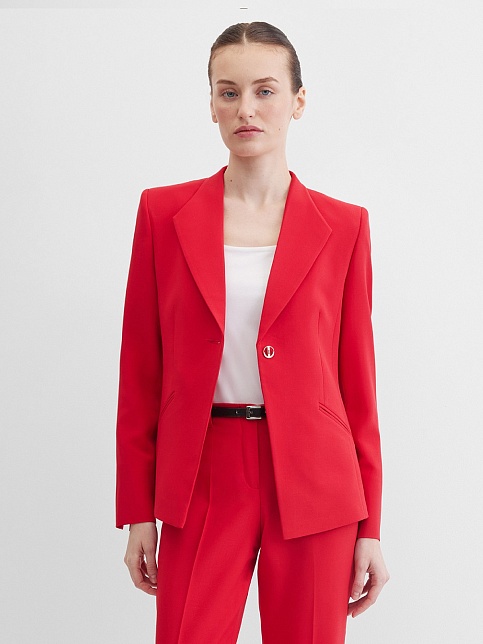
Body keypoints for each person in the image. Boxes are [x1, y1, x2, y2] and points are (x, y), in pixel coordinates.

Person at [116, 21, 389, 643]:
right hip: (202, 472)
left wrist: (370, 526)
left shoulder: (344, 227)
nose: (246, 109)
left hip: (316, 480)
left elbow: (358, 384)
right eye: (229, 91)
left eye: (265, 90)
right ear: (211, 102)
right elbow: (140, 372)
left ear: (297, 101)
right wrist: (138, 512)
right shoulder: (163, 215)